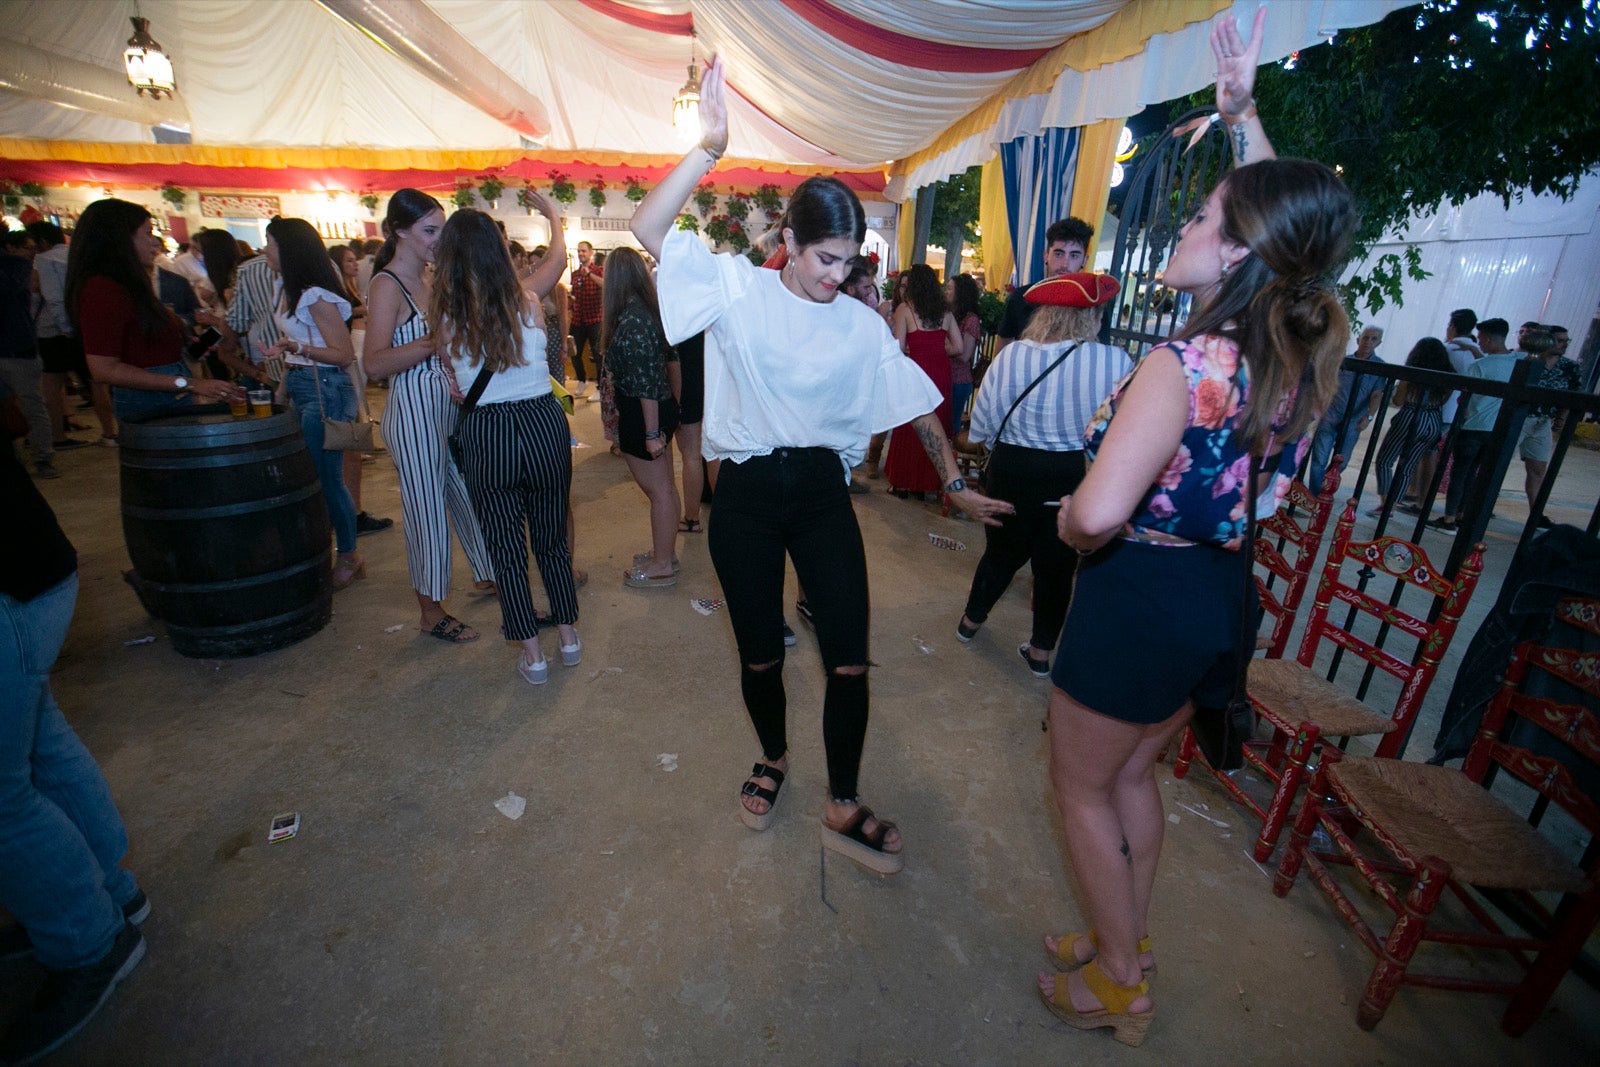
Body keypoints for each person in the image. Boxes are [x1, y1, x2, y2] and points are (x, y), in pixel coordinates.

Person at [1039, 10, 1355, 1045]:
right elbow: (1290, 241)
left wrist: (1072, 523)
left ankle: (1122, 977)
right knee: (1132, 774)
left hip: (1139, 595)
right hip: (1218, 594)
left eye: (1204, 218)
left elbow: (1096, 511)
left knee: (1082, 782)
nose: (1182, 228)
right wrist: (1242, 123)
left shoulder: (1187, 366)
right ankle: (1121, 932)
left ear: (1236, 255)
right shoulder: (1297, 357)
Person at [631, 56, 1011, 876]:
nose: (839, 277)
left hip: (822, 499)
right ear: (789, 243)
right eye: (826, 259)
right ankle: (773, 756)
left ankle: (842, 796)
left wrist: (952, 482)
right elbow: (648, 229)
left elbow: (915, 401)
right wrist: (709, 147)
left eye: (851, 262)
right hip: (745, 501)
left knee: (847, 653)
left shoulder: (862, 325)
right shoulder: (738, 290)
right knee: (760, 654)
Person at [0, 444, 148, 1065]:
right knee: (40, 747)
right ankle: (111, 892)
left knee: (6, 796)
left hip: (12, 585)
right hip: (30, 563)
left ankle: (88, 942)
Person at [433, 202, 581, 685]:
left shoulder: (449, 317)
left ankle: (533, 655)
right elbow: (556, 261)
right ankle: (570, 638)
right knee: (551, 539)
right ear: (500, 252)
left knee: (506, 547)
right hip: (543, 421)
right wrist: (554, 217)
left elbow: (457, 384)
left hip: (488, 431)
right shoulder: (530, 302)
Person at [957, 273, 1131, 678]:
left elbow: (981, 427)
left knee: (1000, 554)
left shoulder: (1012, 355)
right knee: (1056, 566)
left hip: (1012, 469)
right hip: (1072, 473)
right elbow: (1120, 429)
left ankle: (970, 624)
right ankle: (1040, 653)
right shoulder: (1115, 361)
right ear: (1093, 316)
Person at [363, 189, 497, 642]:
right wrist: (430, 343)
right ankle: (430, 610)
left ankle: (485, 572)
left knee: (463, 494)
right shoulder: (387, 285)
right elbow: (374, 363)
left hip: (445, 406)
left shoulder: (430, 277)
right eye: (429, 230)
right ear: (399, 231)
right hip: (413, 411)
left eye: (441, 230)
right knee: (426, 513)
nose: (438, 240)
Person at [67, 200, 243, 422]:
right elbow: (104, 369)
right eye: (147, 233)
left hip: (165, 393)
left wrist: (188, 342)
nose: (154, 242)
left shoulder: (130, 283)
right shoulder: (103, 287)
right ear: (121, 239)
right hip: (149, 400)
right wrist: (190, 383)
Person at [260, 216, 364, 589]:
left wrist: (297, 347)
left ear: (287, 248)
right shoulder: (284, 288)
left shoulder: (315, 295)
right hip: (306, 385)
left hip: (326, 388)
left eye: (269, 243)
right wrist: (284, 384)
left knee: (327, 478)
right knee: (316, 476)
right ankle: (338, 551)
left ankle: (349, 554)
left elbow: (343, 354)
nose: (265, 250)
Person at [604, 247, 683, 587]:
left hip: (643, 413)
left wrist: (652, 432)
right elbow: (670, 363)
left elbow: (645, 383)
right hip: (655, 409)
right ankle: (666, 553)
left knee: (659, 491)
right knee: (664, 487)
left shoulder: (633, 319)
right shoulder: (649, 312)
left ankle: (663, 561)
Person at [28, 222, 115, 448]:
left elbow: (54, 298)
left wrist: (66, 327)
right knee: (97, 382)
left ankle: (57, 435)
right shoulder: (77, 257)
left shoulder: (44, 260)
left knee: (52, 383)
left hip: (55, 331)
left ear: (42, 242)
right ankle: (109, 432)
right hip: (84, 325)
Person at [884, 264, 959, 498]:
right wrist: (936, 348)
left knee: (909, 426)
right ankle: (927, 485)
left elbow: (897, 347)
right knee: (937, 425)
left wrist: (916, 349)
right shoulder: (946, 313)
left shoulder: (904, 310)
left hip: (916, 370)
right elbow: (959, 347)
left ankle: (903, 484)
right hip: (941, 372)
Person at [1433, 317, 1515, 532]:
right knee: (1474, 475)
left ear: (1487, 339)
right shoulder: (1517, 363)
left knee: (1460, 474)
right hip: (1495, 429)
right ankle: (1462, 515)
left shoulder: (1478, 366)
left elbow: (1464, 399)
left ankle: (1449, 517)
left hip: (1472, 427)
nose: (1479, 343)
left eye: (1480, 339)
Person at [1367, 337, 1454, 516]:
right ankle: (1392, 504)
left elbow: (1399, 400)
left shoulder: (1412, 373)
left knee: (1385, 460)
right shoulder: (1448, 375)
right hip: (1433, 419)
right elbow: (1445, 399)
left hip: (1411, 415)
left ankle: (1386, 503)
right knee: (1408, 464)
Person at [995, 215, 1095, 353]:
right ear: (1046, 255)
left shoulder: (1092, 304)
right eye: (1059, 254)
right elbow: (1002, 348)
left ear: (1085, 260)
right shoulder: (1022, 297)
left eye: (1074, 255)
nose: (1065, 264)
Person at [0, 229, 54, 479]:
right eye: (27, 248)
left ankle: (42, 457)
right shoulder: (19, 269)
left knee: (31, 406)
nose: (33, 253)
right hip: (18, 346)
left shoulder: (17, 268)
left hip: (18, 348)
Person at [1304, 324, 1384, 492]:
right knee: (1320, 456)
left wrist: (1369, 416)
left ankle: (1325, 486)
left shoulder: (1380, 367)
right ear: (1358, 339)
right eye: (1366, 337)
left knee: (1342, 460)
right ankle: (1315, 494)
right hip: (1332, 414)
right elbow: (1326, 383)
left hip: (1354, 419)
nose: (1368, 342)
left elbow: (1377, 394)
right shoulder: (1343, 361)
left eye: (1373, 339)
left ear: (1379, 343)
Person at [1518, 326, 1576, 525]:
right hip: (1521, 416)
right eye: (1560, 340)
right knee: (1496, 461)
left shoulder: (1569, 367)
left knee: (1538, 468)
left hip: (1543, 421)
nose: (1564, 345)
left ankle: (1536, 514)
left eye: (1567, 341)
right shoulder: (1530, 361)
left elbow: (1574, 394)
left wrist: (1562, 416)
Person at [947, 273, 982, 436]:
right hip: (947, 376)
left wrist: (945, 343)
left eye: (949, 288)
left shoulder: (971, 320)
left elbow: (965, 355)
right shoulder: (950, 316)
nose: (946, 292)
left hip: (959, 380)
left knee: (951, 424)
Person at [568, 240, 603, 397]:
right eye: (579, 251)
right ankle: (582, 380)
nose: (581, 253)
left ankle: (600, 387)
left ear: (591, 252)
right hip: (578, 320)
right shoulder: (574, 274)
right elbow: (574, 294)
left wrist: (589, 273)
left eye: (583, 251)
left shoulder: (599, 270)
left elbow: (604, 285)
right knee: (573, 352)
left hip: (595, 319)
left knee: (598, 354)